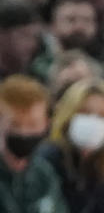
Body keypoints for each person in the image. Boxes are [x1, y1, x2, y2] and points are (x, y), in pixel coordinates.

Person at [0, 76, 68, 213]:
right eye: (15, 124)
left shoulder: (43, 174)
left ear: (46, 124)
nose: (24, 133)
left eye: (32, 124)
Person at [43, 77, 104, 213]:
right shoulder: (47, 161)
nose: (93, 121)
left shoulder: (99, 167)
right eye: (85, 112)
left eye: (101, 115)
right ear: (68, 116)